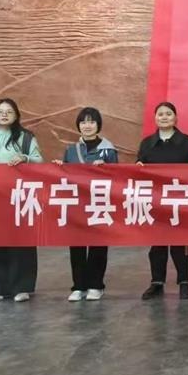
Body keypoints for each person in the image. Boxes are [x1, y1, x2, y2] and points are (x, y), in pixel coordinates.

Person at [0, 99, 42, 302]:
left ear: (16, 116)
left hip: (19, 196)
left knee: (20, 242)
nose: (4, 115)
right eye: (0, 112)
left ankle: (21, 287)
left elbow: (39, 161)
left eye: (9, 112)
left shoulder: (26, 137)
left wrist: (25, 158)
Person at [52, 107, 118, 302]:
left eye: (91, 122)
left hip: (99, 202)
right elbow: (66, 177)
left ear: (98, 125)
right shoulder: (71, 150)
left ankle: (96, 285)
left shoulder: (108, 150)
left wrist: (106, 168)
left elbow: (117, 177)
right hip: (77, 204)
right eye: (83, 122)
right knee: (77, 246)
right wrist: (60, 167)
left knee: (98, 245)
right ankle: (78, 286)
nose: (87, 126)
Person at [136, 102, 188, 300]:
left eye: (168, 114)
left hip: (179, 199)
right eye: (160, 114)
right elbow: (139, 168)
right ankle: (157, 282)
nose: (164, 117)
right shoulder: (147, 143)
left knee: (180, 243)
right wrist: (138, 167)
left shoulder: (186, 142)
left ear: (175, 118)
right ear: (155, 118)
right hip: (155, 200)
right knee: (157, 244)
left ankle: (184, 282)